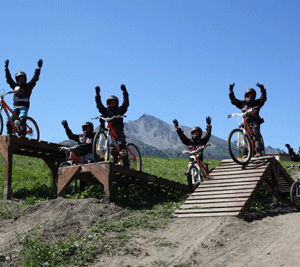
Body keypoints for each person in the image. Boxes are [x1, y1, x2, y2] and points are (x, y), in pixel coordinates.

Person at [5, 59, 43, 137]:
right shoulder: (15, 86)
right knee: (9, 122)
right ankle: (9, 137)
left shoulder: (29, 86)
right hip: (14, 107)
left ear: (25, 78)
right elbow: (9, 80)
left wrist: (38, 68)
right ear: (17, 79)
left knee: (22, 120)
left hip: (23, 107)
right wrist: (6, 68)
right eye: (19, 78)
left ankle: (23, 137)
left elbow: (35, 78)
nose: (21, 80)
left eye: (22, 78)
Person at [95, 84, 129, 166]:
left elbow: (126, 104)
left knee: (123, 147)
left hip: (119, 131)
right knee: (112, 149)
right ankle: (114, 165)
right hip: (111, 132)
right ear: (108, 103)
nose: (112, 104)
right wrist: (97, 95)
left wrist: (125, 92)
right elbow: (99, 107)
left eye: (113, 102)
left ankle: (126, 165)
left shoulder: (120, 110)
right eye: (110, 102)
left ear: (117, 103)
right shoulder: (106, 111)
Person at [229, 82, 267, 156]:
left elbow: (263, 99)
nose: (250, 96)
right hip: (245, 121)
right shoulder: (243, 103)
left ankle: (258, 151)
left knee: (256, 135)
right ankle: (245, 154)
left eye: (252, 95)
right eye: (248, 94)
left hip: (254, 121)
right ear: (245, 95)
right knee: (245, 137)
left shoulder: (256, 102)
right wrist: (231, 92)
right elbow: (234, 101)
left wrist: (263, 90)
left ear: (254, 96)